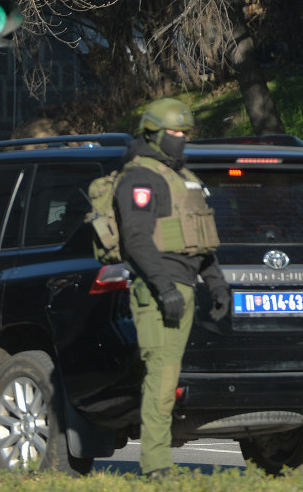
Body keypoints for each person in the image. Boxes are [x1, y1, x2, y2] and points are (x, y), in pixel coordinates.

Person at [114, 97, 225, 478]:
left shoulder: (180, 175)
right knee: (161, 376)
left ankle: (159, 460)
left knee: (170, 376)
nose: (181, 139)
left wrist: (216, 281)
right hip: (159, 290)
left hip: (185, 285)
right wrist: (165, 289)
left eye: (184, 133)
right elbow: (136, 239)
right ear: (155, 134)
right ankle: (156, 465)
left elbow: (199, 235)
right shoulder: (140, 177)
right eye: (175, 132)